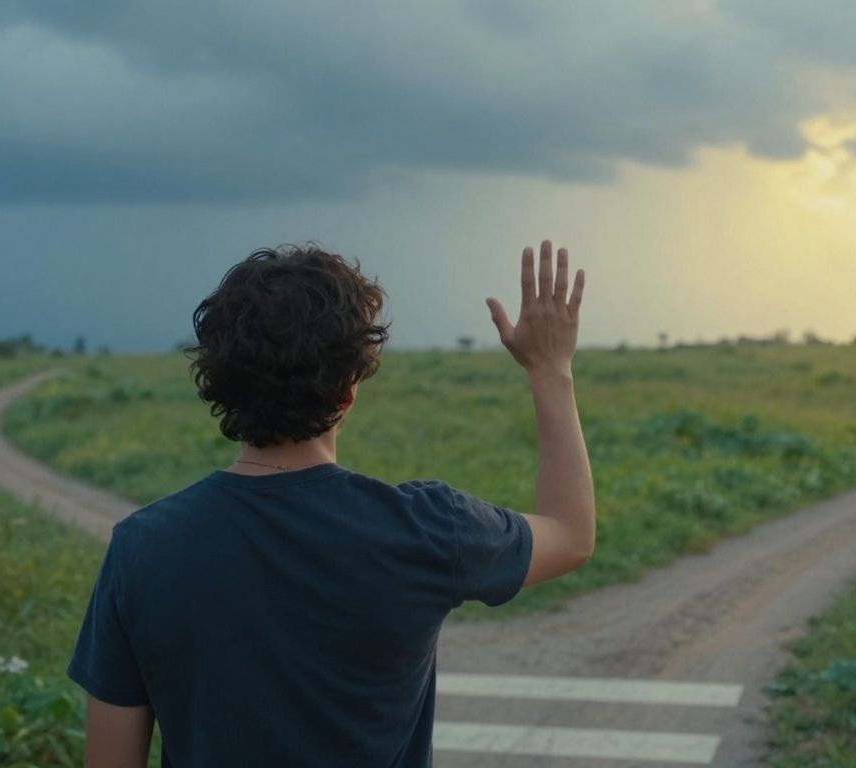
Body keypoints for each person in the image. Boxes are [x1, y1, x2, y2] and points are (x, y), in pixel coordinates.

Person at [67, 240, 594, 766]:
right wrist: (551, 370)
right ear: (347, 390)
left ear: (221, 384)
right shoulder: (427, 529)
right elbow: (570, 535)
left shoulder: (141, 548)